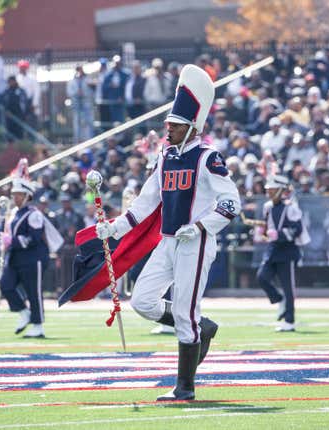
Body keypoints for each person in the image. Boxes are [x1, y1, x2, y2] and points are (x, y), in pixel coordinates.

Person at [96, 65, 241, 401]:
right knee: (143, 301)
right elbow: (146, 201)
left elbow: (232, 202)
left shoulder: (208, 158)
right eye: (168, 124)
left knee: (183, 314)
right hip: (169, 240)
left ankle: (185, 388)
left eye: (175, 125)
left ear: (191, 127)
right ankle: (201, 327)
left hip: (197, 242)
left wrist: (201, 225)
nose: (168, 129)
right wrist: (115, 228)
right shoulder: (165, 158)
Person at [0, 159, 63, 338]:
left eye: (18, 194)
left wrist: (12, 241)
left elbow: (33, 239)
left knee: (33, 291)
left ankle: (38, 325)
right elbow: (5, 233)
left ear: (27, 195)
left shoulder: (34, 214)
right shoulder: (12, 213)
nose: (15, 197)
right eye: (13, 194)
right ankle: (24, 313)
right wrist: (2, 237)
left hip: (33, 258)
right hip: (15, 258)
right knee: (6, 285)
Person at [256, 175, 309, 332]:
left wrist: (279, 234)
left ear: (280, 190)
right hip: (273, 249)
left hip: (287, 250)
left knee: (288, 287)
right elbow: (267, 226)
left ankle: (289, 321)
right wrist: (262, 230)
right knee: (262, 277)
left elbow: (297, 229)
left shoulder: (291, 207)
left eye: (272, 189)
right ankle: (280, 301)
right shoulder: (267, 206)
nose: (269, 192)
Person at [67, 65, 94, 143]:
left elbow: (92, 92)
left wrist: (85, 93)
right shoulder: (72, 81)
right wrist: (76, 93)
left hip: (86, 105)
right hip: (76, 106)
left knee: (87, 123)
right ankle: (77, 140)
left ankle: (89, 140)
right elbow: (69, 92)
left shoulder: (87, 80)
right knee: (77, 123)